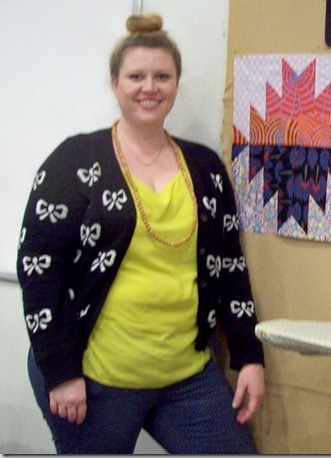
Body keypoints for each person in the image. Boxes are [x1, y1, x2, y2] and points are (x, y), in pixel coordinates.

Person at [17, 13, 265, 454]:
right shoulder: (74, 162)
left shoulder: (206, 168)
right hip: (96, 379)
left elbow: (230, 268)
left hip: (186, 376)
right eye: (136, 76)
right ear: (116, 84)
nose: (149, 87)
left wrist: (249, 356)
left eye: (162, 76)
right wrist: (61, 372)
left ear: (176, 84)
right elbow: (39, 271)